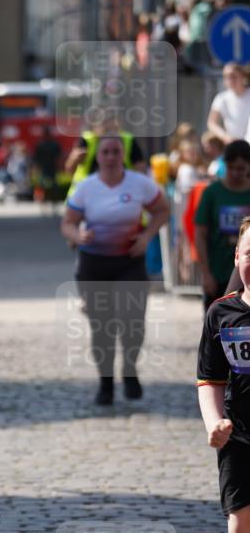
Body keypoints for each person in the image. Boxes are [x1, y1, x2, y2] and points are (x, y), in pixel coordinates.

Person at [61, 135, 170, 405]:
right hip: (94, 264)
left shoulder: (140, 184)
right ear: (97, 156)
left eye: (115, 152)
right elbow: (67, 223)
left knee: (133, 322)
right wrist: (76, 236)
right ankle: (105, 383)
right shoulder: (86, 187)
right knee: (102, 327)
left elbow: (163, 210)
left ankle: (130, 370)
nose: (110, 157)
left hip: (129, 261)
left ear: (123, 155)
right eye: (105, 152)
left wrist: (146, 237)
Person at [197, 216, 250, 533]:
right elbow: (210, 381)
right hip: (240, 434)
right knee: (240, 529)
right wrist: (214, 424)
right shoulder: (222, 312)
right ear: (238, 257)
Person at [194, 140, 250, 310]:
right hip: (217, 273)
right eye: (231, 167)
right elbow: (200, 234)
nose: (235, 173)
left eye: (240, 168)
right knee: (217, 327)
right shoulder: (212, 192)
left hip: (246, 276)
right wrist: (205, 273)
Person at [207, 64, 250, 146]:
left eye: (233, 76)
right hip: (232, 145)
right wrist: (225, 136)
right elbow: (211, 122)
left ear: (242, 76)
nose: (230, 80)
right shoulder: (221, 98)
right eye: (226, 77)